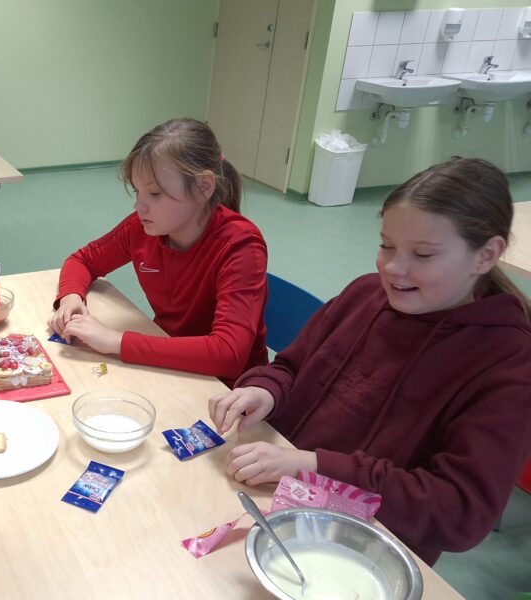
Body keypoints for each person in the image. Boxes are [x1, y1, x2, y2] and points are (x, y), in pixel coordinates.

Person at [208, 158, 531, 565]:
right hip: (274, 495)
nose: (393, 268)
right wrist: (266, 391)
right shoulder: (365, 295)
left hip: (363, 549)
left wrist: (313, 467)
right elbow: (291, 368)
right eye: (386, 245)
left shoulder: (507, 364)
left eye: (423, 254)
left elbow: (459, 512)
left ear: (486, 255)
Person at [47, 118, 269, 385]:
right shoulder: (144, 228)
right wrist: (71, 297)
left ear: (204, 186)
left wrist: (116, 341)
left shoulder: (241, 245)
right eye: (137, 191)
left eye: (154, 193)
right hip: (167, 367)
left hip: (228, 390)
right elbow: (83, 260)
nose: (139, 206)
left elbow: (227, 354)